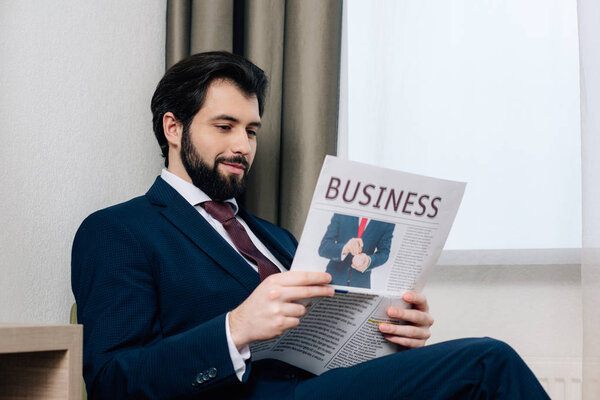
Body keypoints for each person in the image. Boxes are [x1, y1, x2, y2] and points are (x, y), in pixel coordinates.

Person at [71, 51, 549, 399]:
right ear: (173, 128)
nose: (243, 146)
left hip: (323, 387)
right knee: (487, 362)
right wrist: (234, 328)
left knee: (466, 377)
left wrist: (392, 332)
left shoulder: (277, 238)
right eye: (224, 126)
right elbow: (111, 380)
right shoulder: (118, 231)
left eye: (252, 130)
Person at [319, 213, 395, 288]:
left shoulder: (387, 222)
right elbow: (324, 247)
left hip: (361, 285)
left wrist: (368, 260)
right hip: (332, 281)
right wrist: (345, 248)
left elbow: (384, 253)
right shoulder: (343, 213)